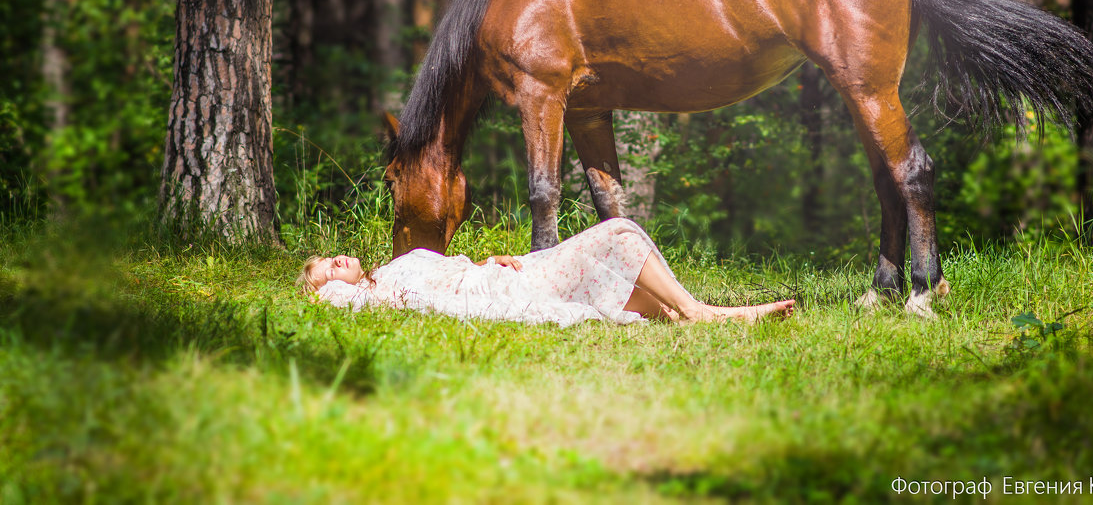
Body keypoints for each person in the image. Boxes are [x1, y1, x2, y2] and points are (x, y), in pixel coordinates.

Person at [298, 217, 795, 327]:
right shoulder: (375, 298)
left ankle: (709, 312)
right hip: (517, 291)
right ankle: (705, 314)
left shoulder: (397, 267)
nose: (336, 261)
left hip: (513, 272)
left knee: (622, 252)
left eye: (331, 256)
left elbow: (455, 270)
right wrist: (317, 293)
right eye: (327, 271)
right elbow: (329, 303)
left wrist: (485, 260)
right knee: (616, 236)